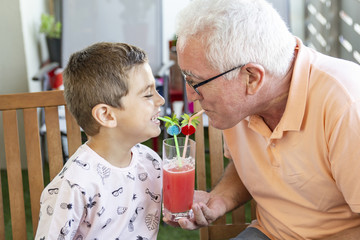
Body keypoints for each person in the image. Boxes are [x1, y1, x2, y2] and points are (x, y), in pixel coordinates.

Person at [166, 0, 360, 239]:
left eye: (196, 81)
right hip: (268, 233)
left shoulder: (348, 106)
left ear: (252, 77)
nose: (191, 95)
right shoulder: (239, 104)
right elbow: (248, 165)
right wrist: (218, 200)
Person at [35, 42, 165, 239]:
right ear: (106, 115)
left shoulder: (151, 162)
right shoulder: (74, 186)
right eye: (148, 94)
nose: (161, 100)